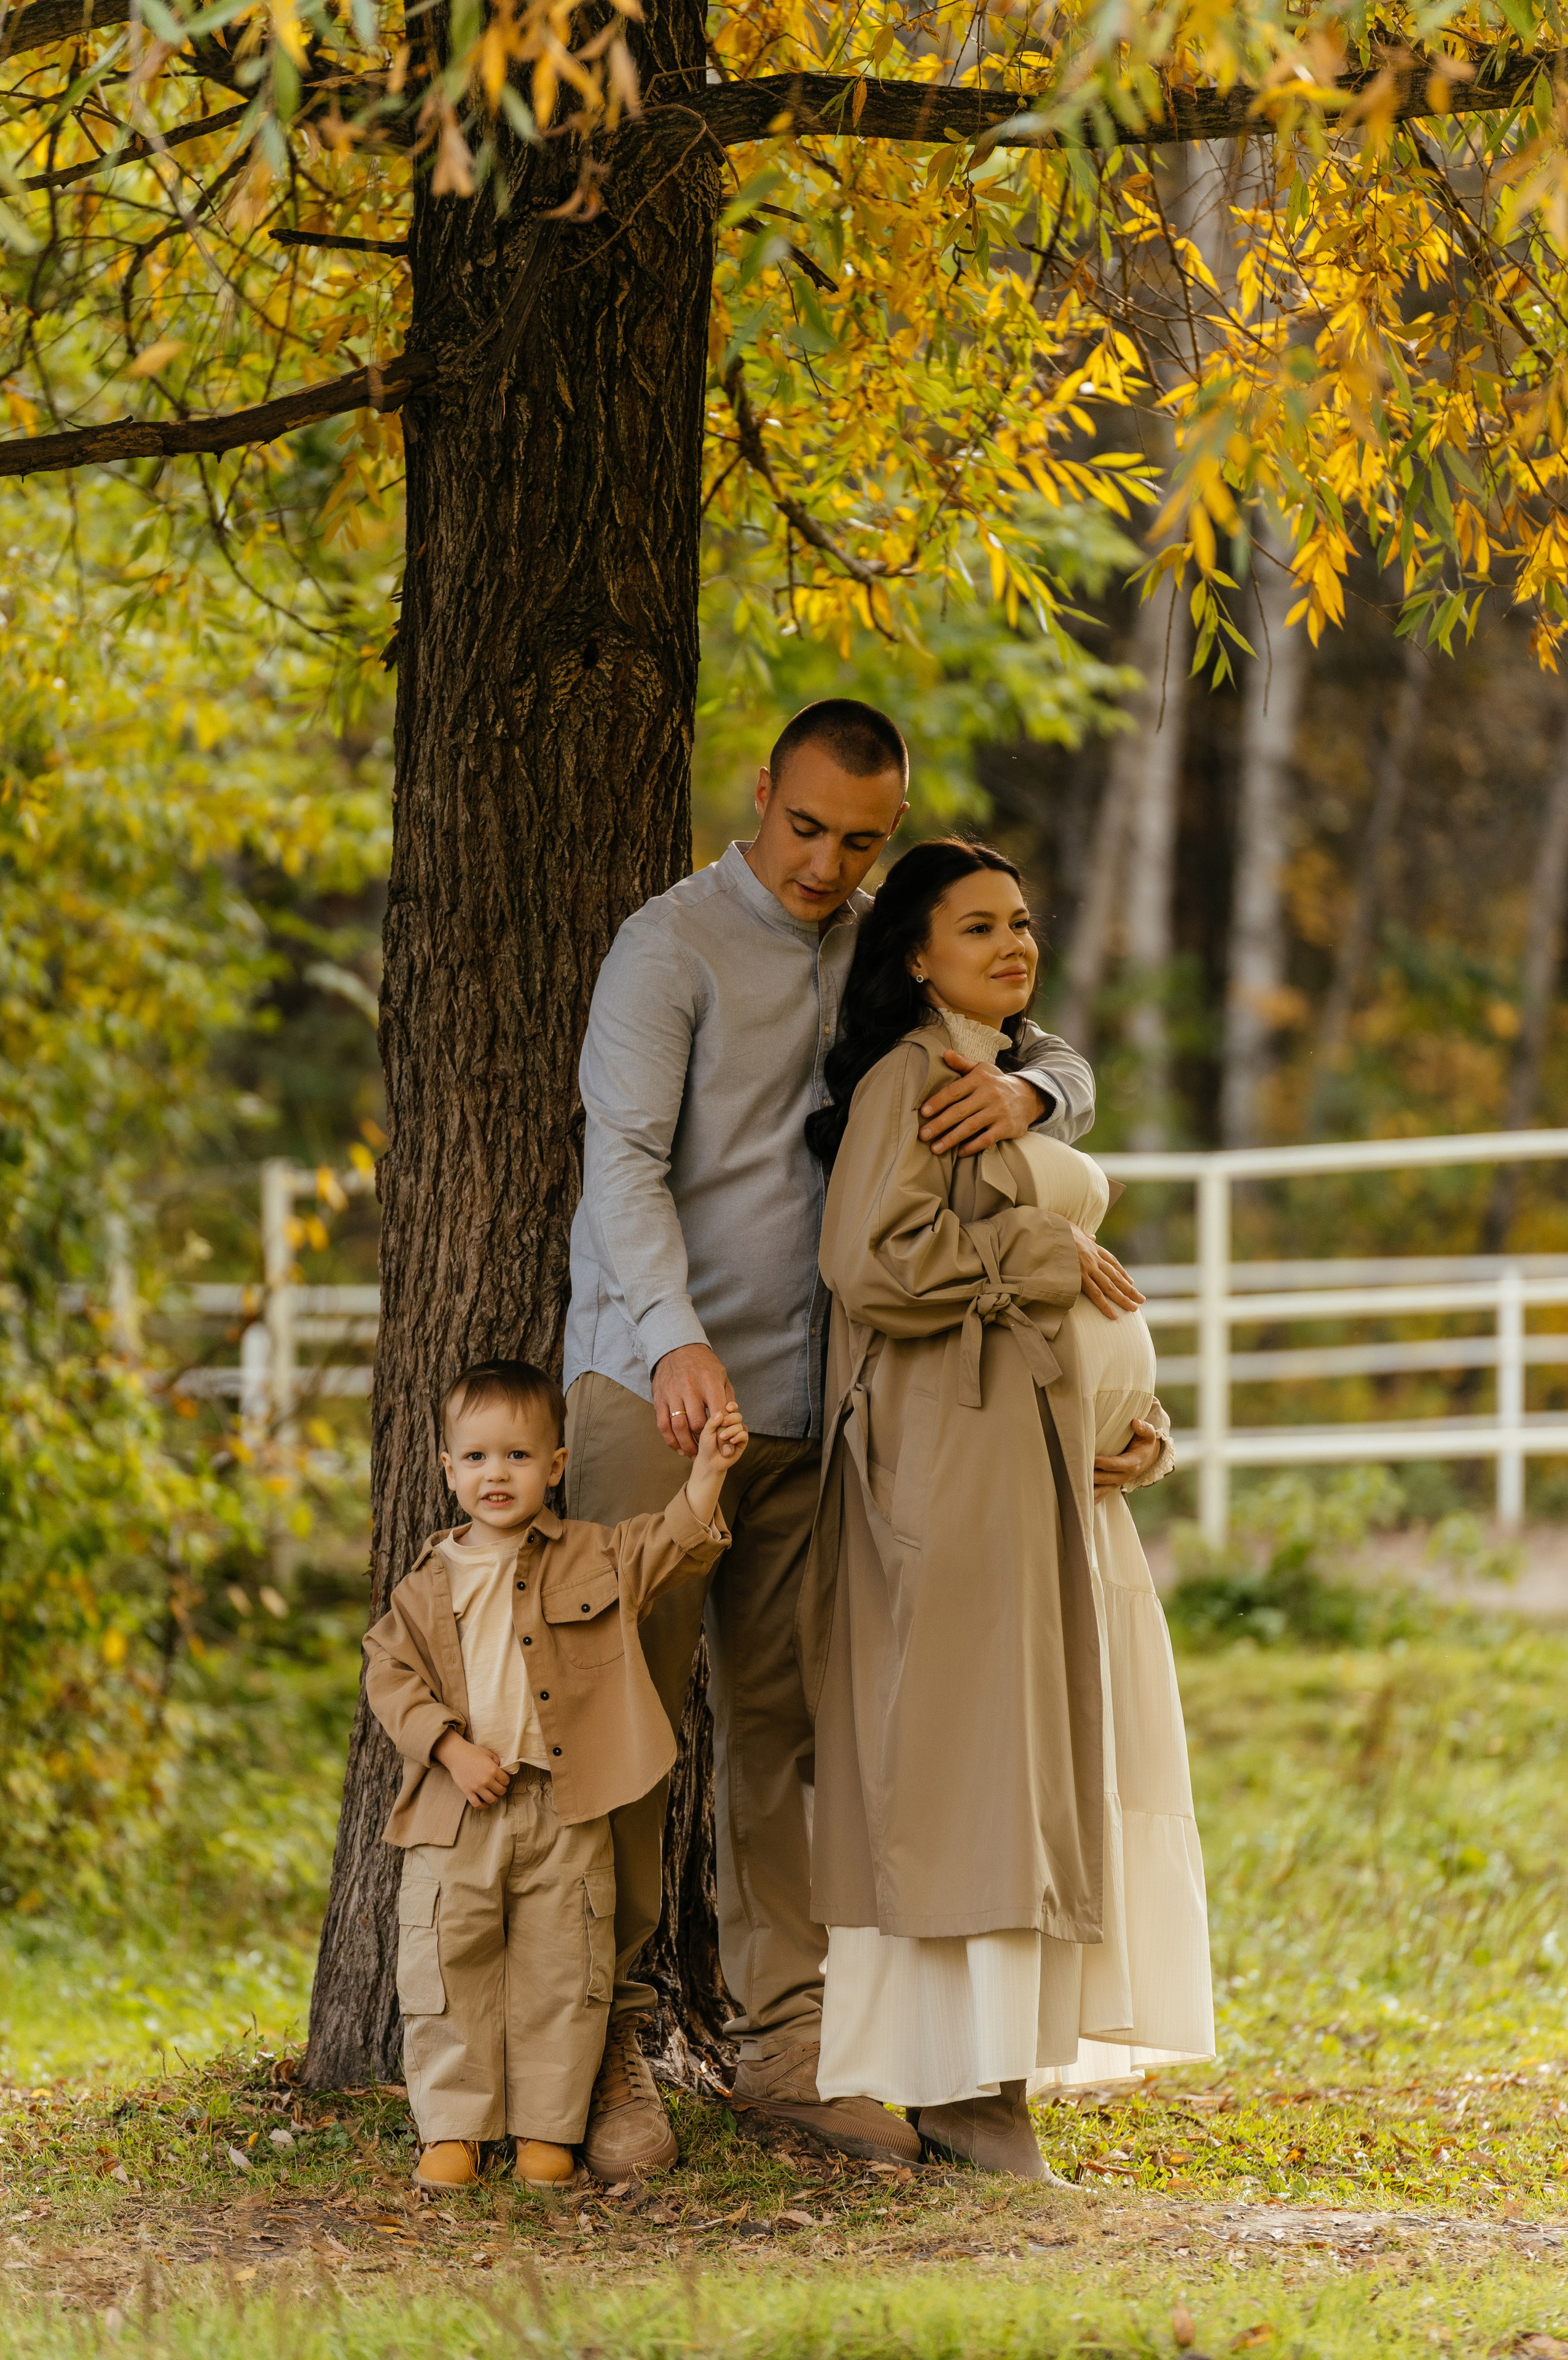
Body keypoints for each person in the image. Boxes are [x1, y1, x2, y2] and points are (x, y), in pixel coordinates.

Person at [562, 698, 1117, 2181]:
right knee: (624, 1731)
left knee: (783, 1736)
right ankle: (605, 2045)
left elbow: (1052, 1052)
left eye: (858, 841)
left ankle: (783, 2050)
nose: (824, 864)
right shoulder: (668, 948)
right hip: (656, 1396)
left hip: (823, 1414)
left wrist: (1031, 1089)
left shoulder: (890, 941)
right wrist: (674, 1337)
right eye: (805, 827)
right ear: (761, 791)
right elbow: (622, 1163)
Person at [801, 838, 1215, 2180]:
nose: (1012, 944)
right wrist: (1044, 1250)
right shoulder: (906, 1083)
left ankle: (1002, 2079)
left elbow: (1072, 1289)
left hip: (1051, 1477)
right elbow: (870, 1263)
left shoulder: (1016, 1074)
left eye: (1023, 922)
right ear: (917, 956)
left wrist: (1131, 1425)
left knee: (1044, 1773)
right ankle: (965, 2094)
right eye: (977, 927)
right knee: (973, 1775)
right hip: (959, 1467)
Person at [363, 1358, 747, 2194]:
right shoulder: (427, 1585)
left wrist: (710, 1472)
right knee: (450, 1963)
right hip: (458, 1811)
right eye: (476, 1457)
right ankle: (455, 2129)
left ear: (556, 1466)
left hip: (567, 1810)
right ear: (448, 1470)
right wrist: (449, 1749)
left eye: (518, 1456)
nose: (496, 1474)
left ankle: (548, 2128)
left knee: (563, 1969)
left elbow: (670, 1543)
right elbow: (388, 1676)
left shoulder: (593, 1557)